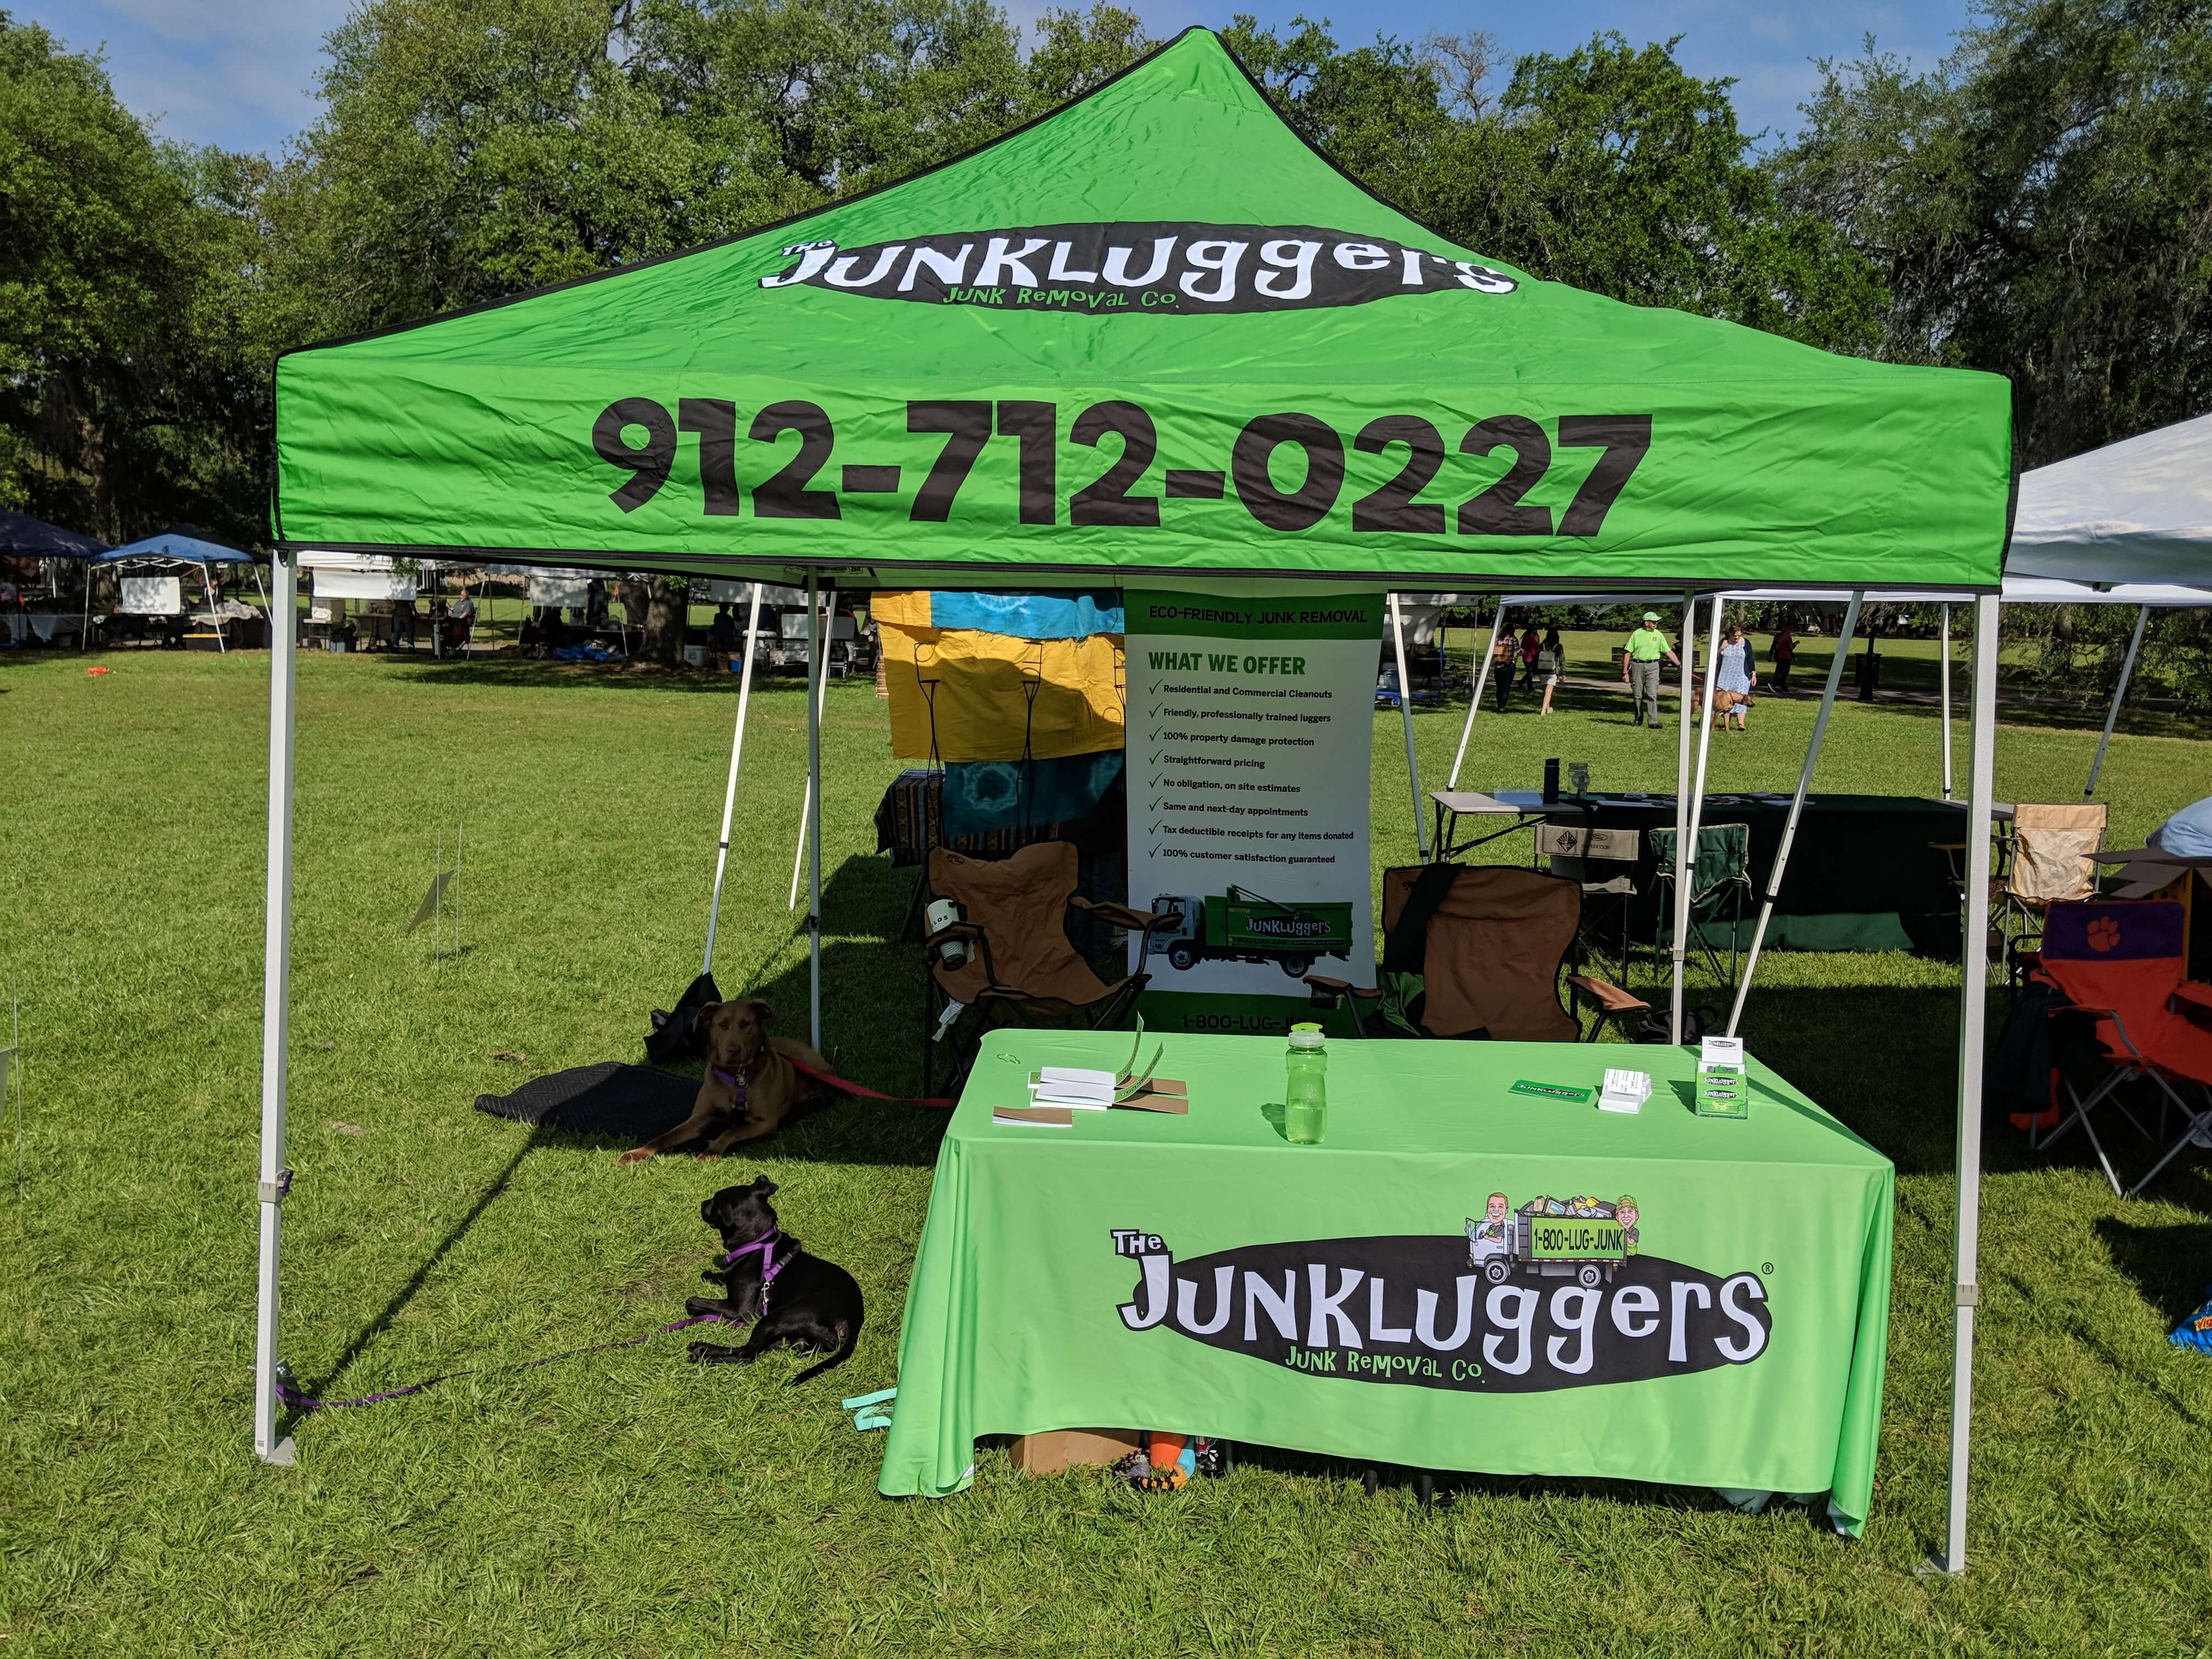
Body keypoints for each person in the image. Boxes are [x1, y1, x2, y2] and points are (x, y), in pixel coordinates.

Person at [1620, 612, 1680, 729]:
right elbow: (1628, 653)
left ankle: (1653, 721)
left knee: (1652, 694)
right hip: (1638, 666)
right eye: (1654, 622)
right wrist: (1625, 672)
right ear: (1647, 623)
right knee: (1638, 695)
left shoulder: (1658, 635)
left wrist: (1678, 664)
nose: (1656, 624)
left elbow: (1667, 651)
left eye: (1656, 622)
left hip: (1653, 666)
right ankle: (1638, 719)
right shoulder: (1637, 634)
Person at [1714, 619, 1756, 731]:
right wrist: (1722, 648)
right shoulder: (1724, 642)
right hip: (1726, 676)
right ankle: (1726, 723)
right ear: (1730, 635)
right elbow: (1715, 658)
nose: (1737, 638)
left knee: (1742, 698)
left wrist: (1753, 673)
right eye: (1734, 636)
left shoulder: (1745, 643)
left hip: (1741, 676)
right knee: (1725, 700)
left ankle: (1741, 723)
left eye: (1739, 635)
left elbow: (1750, 658)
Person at [1538, 627, 1564, 716]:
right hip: (1552, 671)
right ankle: (1543, 711)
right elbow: (1562, 660)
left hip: (1542, 669)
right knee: (1549, 692)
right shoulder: (1558, 647)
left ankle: (1548, 709)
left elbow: (1536, 657)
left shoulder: (1542, 645)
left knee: (1545, 691)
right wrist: (1562, 673)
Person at [1491, 626, 1516, 711]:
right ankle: (1502, 706)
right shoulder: (1513, 639)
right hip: (1509, 665)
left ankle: (1499, 704)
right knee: (1506, 687)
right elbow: (1518, 650)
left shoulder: (1498, 639)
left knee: (1499, 687)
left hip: (1498, 665)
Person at [1769, 622, 1796, 697]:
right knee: (1785, 672)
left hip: (1780, 656)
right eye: (1791, 629)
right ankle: (1782, 685)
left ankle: (1776, 684)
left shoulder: (1779, 637)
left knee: (1779, 671)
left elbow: (1777, 647)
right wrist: (1796, 644)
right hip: (1787, 657)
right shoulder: (1788, 637)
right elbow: (1791, 648)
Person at [1519, 625, 1541, 689]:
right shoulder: (1527, 638)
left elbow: (1537, 645)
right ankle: (1530, 686)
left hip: (1534, 657)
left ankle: (1522, 682)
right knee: (1530, 672)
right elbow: (1522, 647)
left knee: (1533, 672)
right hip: (1527, 657)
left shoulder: (1536, 637)